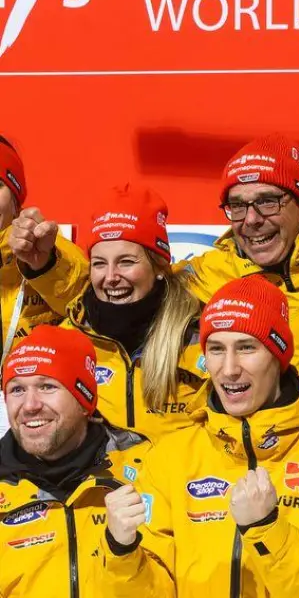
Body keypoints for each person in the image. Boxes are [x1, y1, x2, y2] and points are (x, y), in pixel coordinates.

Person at [101, 275, 299, 597]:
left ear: (278, 355)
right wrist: (122, 552)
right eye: (216, 349)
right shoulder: (170, 457)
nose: (229, 369)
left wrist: (265, 529)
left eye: (246, 348)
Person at [12, 183, 205, 440]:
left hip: (178, 478)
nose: (111, 277)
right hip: (100, 480)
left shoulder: (199, 337)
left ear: (159, 266)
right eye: (100, 264)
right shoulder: (68, 341)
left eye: (126, 262)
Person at [0, 325, 148, 597]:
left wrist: (122, 550)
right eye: (17, 389)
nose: (30, 405)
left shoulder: (144, 469)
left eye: (47, 386)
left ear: (84, 401)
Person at [0, 136, 82, 436]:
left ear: (16, 197)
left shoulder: (47, 247)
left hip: (35, 422)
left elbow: (91, 307)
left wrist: (44, 265)